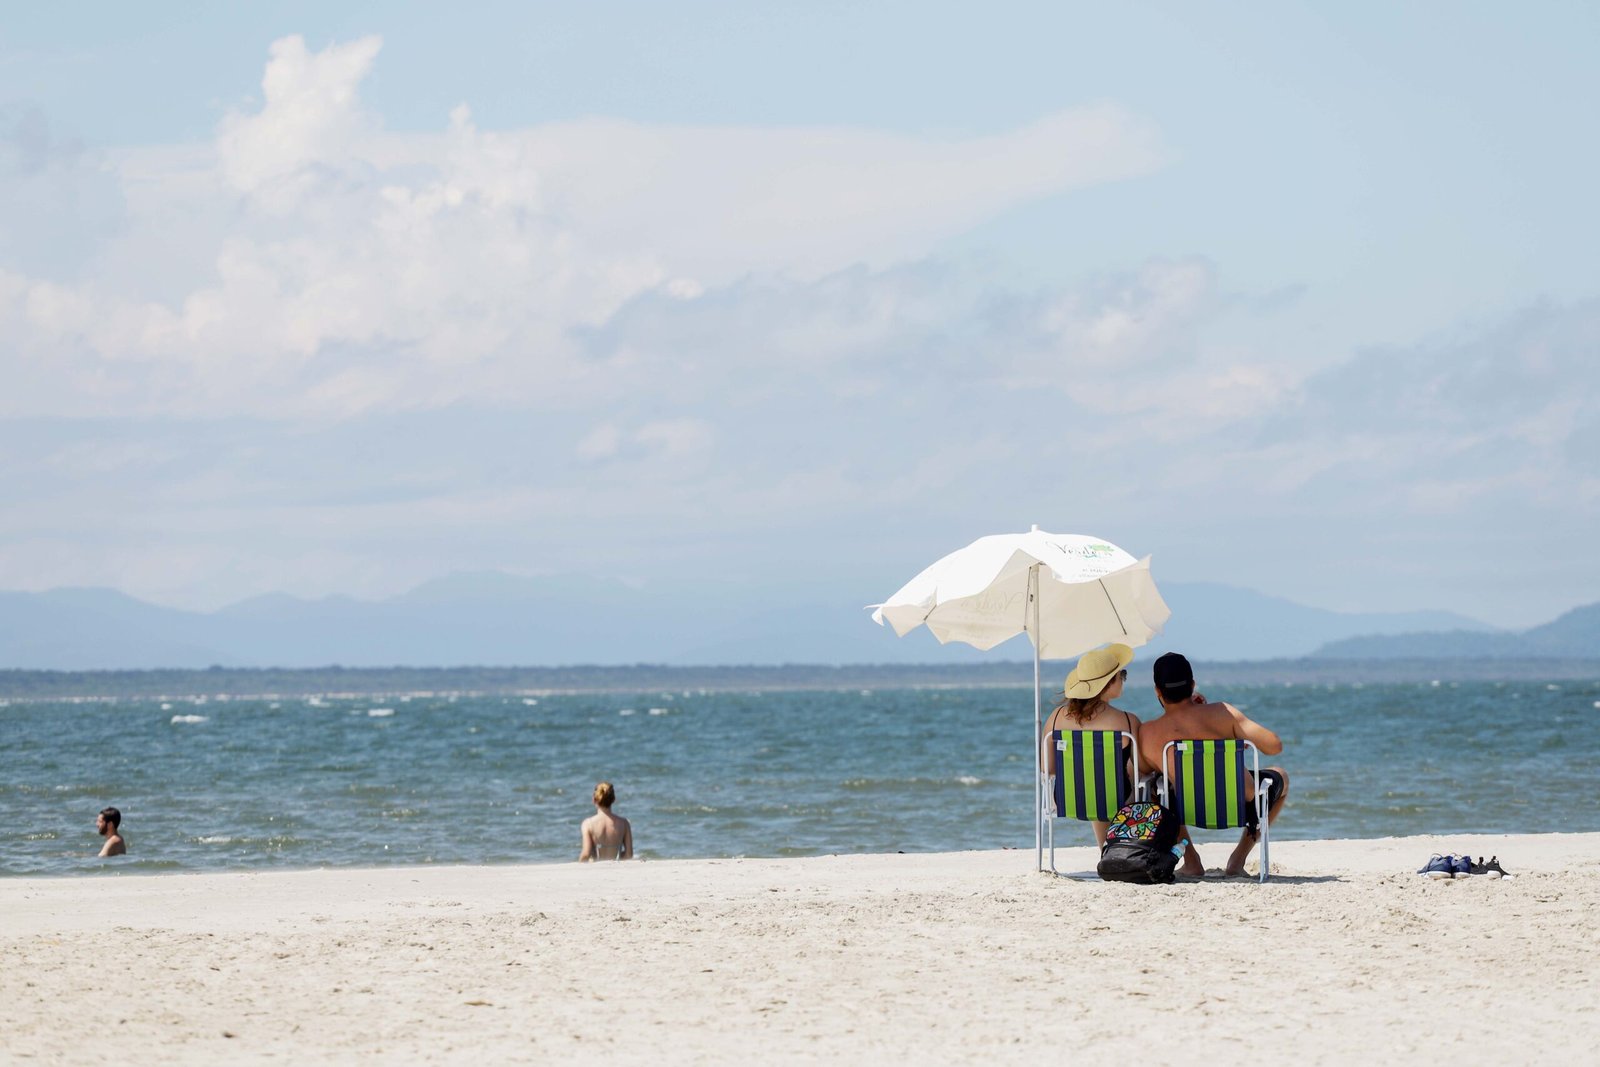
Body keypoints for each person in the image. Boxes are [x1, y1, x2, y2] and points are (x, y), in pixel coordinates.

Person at [1137, 652, 1288, 878]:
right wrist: (1233, 735)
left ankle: (1190, 859)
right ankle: (1238, 859)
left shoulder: (1148, 732)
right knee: (1281, 775)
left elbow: (1143, 770)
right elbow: (1274, 746)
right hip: (1239, 805)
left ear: (1158, 691)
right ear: (1193, 685)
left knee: (1158, 789)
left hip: (1185, 808)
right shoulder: (1222, 713)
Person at [1040, 643, 1140, 846]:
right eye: (1122, 675)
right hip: (1116, 800)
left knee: (1092, 778)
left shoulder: (1056, 717)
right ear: (1109, 683)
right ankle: (1125, 848)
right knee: (1122, 779)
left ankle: (1104, 848)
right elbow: (1143, 769)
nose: (1123, 679)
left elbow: (1047, 768)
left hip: (1068, 800)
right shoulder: (1127, 721)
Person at [578, 781, 632, 861]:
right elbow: (629, 854)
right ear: (613, 799)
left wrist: (579, 864)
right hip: (616, 869)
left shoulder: (588, 824)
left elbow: (586, 854)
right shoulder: (624, 823)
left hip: (596, 869)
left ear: (594, 800)